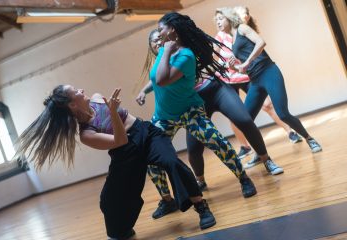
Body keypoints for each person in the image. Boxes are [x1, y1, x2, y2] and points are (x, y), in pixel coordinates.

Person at [14, 86, 218, 239]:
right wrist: (112, 113)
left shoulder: (96, 99)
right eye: (76, 90)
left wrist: (112, 111)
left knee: (171, 162)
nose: (81, 89)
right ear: (72, 104)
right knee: (110, 199)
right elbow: (120, 141)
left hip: (146, 134)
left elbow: (128, 127)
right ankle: (121, 230)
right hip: (125, 151)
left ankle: (200, 206)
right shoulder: (86, 134)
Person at [137, 25, 284, 218]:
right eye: (153, 41)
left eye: (160, 38)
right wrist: (143, 91)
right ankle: (167, 200)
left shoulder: (180, 55)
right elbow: (156, 79)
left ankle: (244, 178)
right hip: (164, 117)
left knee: (219, 142)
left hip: (191, 110)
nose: (158, 43)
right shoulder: (160, 61)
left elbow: (165, 78)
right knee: (152, 155)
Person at [215, 7, 322, 170]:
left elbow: (261, 42)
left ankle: (309, 138)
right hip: (255, 80)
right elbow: (243, 68)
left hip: (269, 72)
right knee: (245, 120)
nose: (218, 22)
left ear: (229, 18)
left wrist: (246, 62)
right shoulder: (231, 37)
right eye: (216, 20)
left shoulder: (242, 28)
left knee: (283, 113)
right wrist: (235, 67)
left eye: (220, 18)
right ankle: (261, 154)